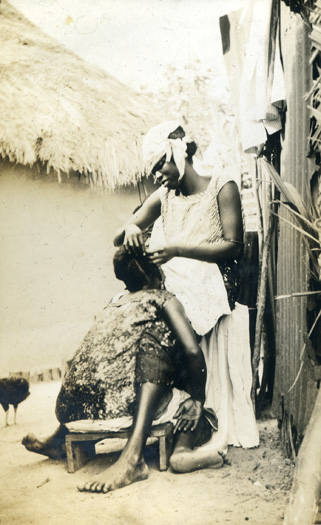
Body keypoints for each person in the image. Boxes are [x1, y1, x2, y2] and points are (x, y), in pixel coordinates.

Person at [114, 121, 259, 466]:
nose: (157, 177)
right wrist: (133, 226)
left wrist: (177, 248)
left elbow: (233, 247)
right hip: (178, 277)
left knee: (163, 310)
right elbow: (121, 233)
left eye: (159, 167)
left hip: (213, 278)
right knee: (140, 309)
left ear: (178, 155)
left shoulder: (222, 187)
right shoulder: (164, 195)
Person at [22, 247, 223, 494]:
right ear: (157, 271)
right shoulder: (162, 298)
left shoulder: (114, 303)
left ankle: (57, 441)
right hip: (126, 414)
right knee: (180, 389)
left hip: (72, 417)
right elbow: (192, 352)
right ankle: (153, 455)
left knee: (103, 357)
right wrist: (197, 398)